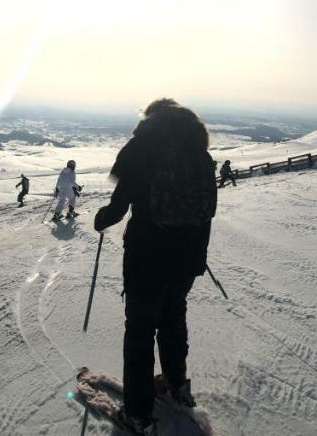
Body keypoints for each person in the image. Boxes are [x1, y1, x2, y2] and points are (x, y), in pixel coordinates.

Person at [93, 98, 217, 434]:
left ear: (151, 117)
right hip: (187, 258)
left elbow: (118, 207)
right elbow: (207, 209)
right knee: (173, 319)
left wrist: (101, 219)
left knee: (140, 331)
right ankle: (177, 387)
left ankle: (137, 413)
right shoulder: (199, 151)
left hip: (147, 257)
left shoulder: (141, 147)